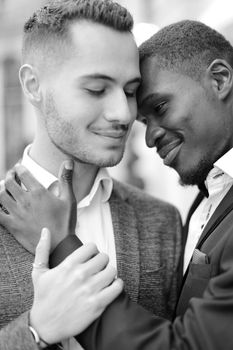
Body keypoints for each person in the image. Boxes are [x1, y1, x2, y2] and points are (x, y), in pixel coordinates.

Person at [9, 19, 233, 350]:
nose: (122, 115)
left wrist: (62, 246)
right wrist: (32, 333)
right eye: (97, 89)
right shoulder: (206, 202)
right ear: (32, 84)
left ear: (221, 80)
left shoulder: (162, 223)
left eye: (129, 92)